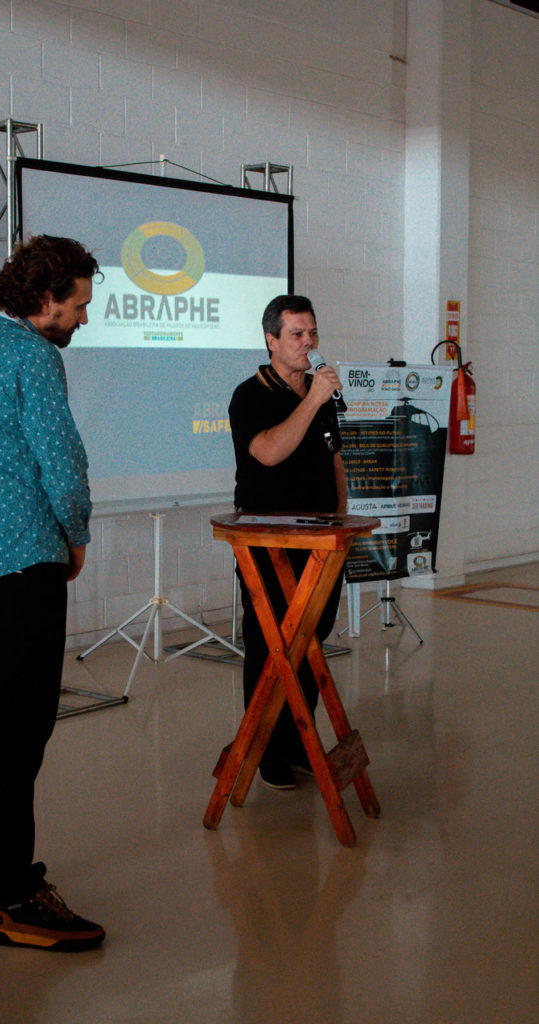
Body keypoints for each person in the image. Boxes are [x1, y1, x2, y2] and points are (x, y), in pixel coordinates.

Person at [0, 235, 105, 952]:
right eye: (77, 306)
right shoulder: (33, 356)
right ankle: (17, 893)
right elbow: (61, 460)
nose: (83, 319)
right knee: (17, 730)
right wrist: (77, 533)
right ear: (43, 299)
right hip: (25, 561)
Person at [228, 294, 347, 791]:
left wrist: (343, 521)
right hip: (270, 545)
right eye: (297, 334)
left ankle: (300, 741)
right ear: (271, 340)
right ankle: (267, 751)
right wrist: (313, 400)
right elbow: (269, 453)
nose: (308, 342)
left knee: (310, 641)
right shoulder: (250, 396)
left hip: (323, 541)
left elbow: (334, 459)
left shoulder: (320, 393)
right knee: (271, 644)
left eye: (312, 332)